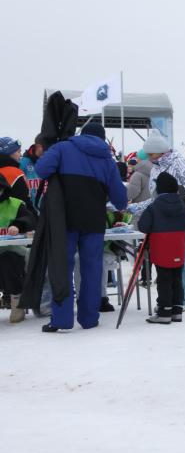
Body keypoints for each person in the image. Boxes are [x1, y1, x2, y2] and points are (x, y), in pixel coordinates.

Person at [33, 121, 128, 332]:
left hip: (64, 220)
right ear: (102, 139)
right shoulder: (107, 159)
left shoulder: (62, 148)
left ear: (80, 134)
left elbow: (41, 170)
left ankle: (61, 319)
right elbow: (121, 200)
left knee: (62, 267)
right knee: (92, 269)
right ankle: (89, 318)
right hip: (94, 221)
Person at [128, 131, 185, 310]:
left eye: (152, 154)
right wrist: (136, 207)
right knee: (167, 257)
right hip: (163, 214)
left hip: (182, 211)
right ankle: (173, 299)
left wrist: (173, 197)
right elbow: (155, 197)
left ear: (161, 151)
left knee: (182, 254)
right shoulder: (156, 167)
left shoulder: (178, 163)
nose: (150, 158)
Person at [136, 173, 185, 324]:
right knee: (177, 279)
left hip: (161, 247)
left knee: (164, 280)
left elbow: (143, 226)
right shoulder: (182, 205)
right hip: (178, 247)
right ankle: (176, 311)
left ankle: (164, 311)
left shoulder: (154, 206)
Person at [0, 175, 36, 323]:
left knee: (8, 259)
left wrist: (18, 225)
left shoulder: (15, 204)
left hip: (15, 252)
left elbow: (30, 218)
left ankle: (17, 301)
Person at [0, 136, 32, 207]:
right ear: (9, 153)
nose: (21, 155)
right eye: (18, 151)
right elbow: (25, 201)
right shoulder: (16, 173)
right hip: (16, 215)